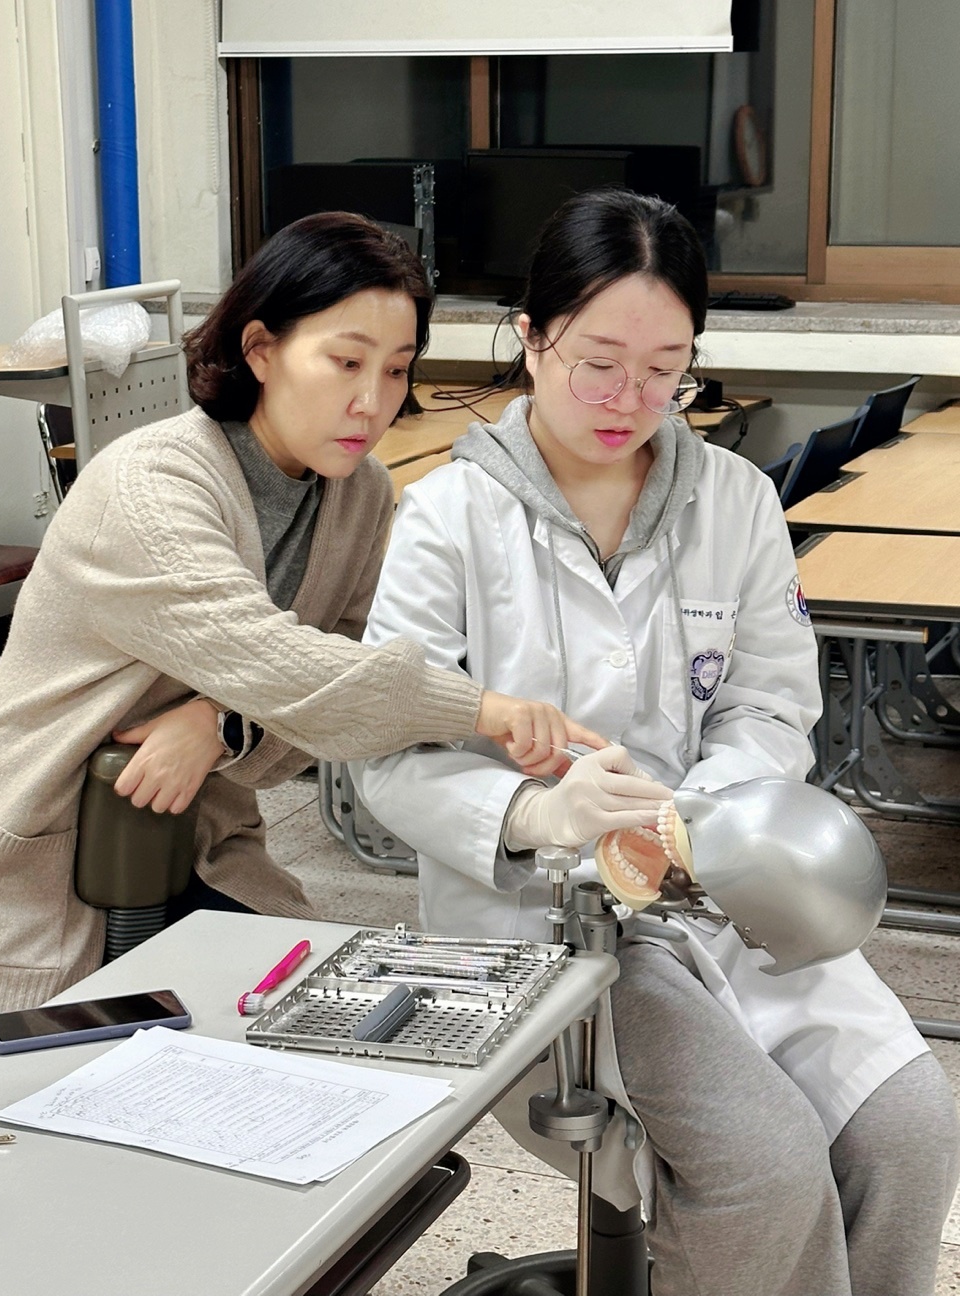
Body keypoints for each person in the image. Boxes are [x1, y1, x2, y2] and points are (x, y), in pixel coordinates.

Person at [349, 190, 960, 1296]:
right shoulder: (449, 517)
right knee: (762, 1169)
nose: (630, 400)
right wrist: (538, 814)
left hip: (721, 889)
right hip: (546, 920)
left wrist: (690, 819)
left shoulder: (733, 499)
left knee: (911, 1129)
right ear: (531, 338)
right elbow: (389, 755)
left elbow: (771, 706)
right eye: (598, 364)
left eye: (664, 369)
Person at [0, 212, 599, 1071]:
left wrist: (216, 725)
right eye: (345, 362)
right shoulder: (152, 484)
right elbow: (286, 667)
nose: (373, 401)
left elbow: (330, 693)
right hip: (20, 906)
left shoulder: (358, 495)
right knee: (73, 1124)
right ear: (261, 349)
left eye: (396, 368)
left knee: (319, 1056)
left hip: (196, 859)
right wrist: (483, 709)